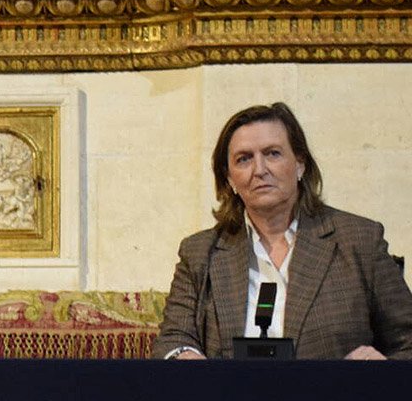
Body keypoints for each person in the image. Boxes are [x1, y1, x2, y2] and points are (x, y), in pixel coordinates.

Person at [154, 103, 412, 360]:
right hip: (229, 389)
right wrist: (183, 355)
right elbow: (172, 339)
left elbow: (407, 342)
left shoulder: (359, 240)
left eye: (272, 154)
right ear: (230, 178)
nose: (259, 170)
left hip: (334, 388)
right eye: (244, 159)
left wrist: (380, 369)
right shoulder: (200, 253)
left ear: (300, 163)